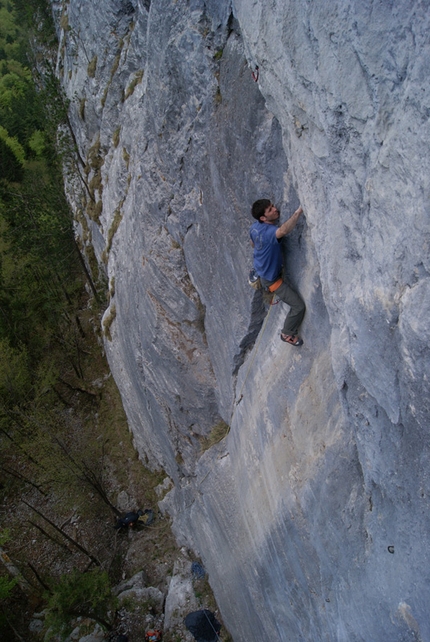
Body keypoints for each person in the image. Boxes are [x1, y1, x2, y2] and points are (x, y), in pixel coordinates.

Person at [250, 199, 306, 346]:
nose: (275, 209)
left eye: (272, 206)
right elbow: (283, 231)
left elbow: (252, 243)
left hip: (262, 270)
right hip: (271, 280)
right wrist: (299, 211)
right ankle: (287, 333)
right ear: (263, 218)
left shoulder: (255, 228)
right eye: (270, 210)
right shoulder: (270, 233)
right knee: (298, 307)